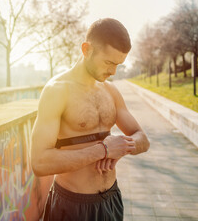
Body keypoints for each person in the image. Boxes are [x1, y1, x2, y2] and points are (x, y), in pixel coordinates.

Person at [30, 18, 150, 221]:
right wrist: (103, 150)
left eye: (118, 64)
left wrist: (121, 147)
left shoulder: (110, 91)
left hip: (111, 199)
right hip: (72, 206)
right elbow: (40, 162)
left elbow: (143, 139)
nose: (113, 71)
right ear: (86, 50)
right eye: (109, 62)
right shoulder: (57, 91)